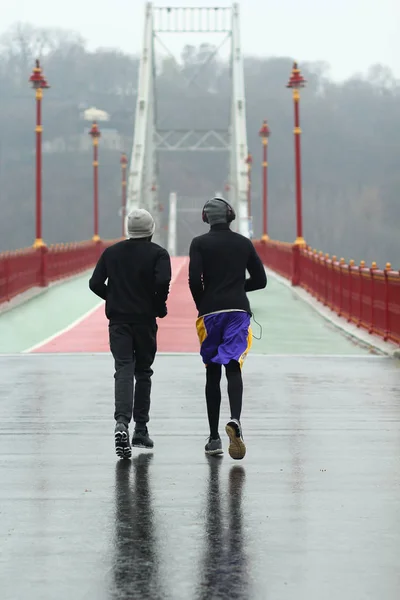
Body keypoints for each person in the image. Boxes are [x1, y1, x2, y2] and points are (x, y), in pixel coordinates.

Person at [188, 197, 267, 460]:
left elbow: (193, 280)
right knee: (233, 366)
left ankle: (213, 438)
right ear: (230, 216)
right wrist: (236, 289)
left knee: (212, 371)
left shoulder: (198, 243)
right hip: (237, 311)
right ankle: (235, 420)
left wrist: (205, 302)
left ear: (205, 218)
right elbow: (260, 280)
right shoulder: (243, 243)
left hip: (210, 312)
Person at [89, 208, 171, 459]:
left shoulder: (111, 253)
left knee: (123, 368)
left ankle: (121, 423)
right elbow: (162, 281)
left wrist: (114, 298)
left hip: (119, 321)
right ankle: (141, 430)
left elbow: (94, 283)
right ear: (151, 230)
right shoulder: (158, 254)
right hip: (145, 321)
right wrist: (158, 305)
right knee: (143, 372)